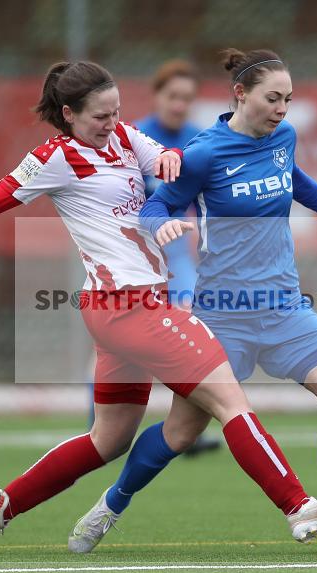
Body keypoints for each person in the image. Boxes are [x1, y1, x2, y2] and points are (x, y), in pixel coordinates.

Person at [0, 60, 317, 555]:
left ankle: (3, 506)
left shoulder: (127, 138)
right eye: (100, 116)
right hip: (132, 307)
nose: (113, 123)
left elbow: (170, 161)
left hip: (124, 310)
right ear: (68, 114)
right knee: (230, 402)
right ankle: (297, 506)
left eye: (116, 111)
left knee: (107, 440)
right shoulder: (53, 159)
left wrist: (177, 165)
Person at [70, 49, 317, 554]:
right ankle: (111, 504)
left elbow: (295, 180)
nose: (282, 109)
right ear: (240, 94)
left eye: (288, 99)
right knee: (180, 432)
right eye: (273, 98)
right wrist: (165, 226)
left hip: (285, 306)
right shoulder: (204, 153)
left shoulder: (283, 138)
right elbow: (156, 205)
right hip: (223, 313)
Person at [135, 59, 219, 456]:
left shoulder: (197, 141)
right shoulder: (134, 138)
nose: (180, 105)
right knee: (117, 348)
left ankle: (184, 430)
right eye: (173, 96)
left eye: (187, 98)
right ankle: (98, 429)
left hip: (177, 258)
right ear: (157, 96)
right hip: (132, 259)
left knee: (189, 330)